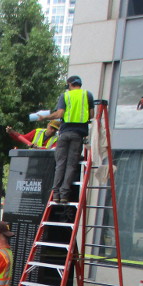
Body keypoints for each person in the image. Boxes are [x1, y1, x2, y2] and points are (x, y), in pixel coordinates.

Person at [39, 75, 95, 204]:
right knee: (71, 165)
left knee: (60, 164)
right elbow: (92, 115)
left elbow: (59, 114)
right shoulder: (88, 95)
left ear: (69, 84)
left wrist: (44, 117)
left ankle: (56, 194)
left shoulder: (65, 96)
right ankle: (64, 195)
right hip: (78, 135)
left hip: (64, 133)